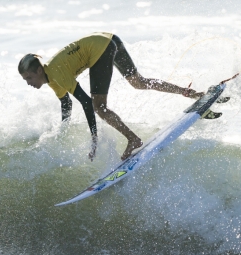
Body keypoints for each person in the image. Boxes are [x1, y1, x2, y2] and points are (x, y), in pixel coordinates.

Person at [18, 32, 203, 161]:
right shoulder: (51, 78)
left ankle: (133, 139)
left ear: (39, 70)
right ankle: (189, 93)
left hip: (101, 49)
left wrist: (94, 139)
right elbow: (65, 103)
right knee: (138, 82)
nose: (28, 82)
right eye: (25, 79)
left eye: (29, 77)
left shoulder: (56, 72)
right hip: (110, 39)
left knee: (100, 107)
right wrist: (62, 131)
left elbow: (86, 103)